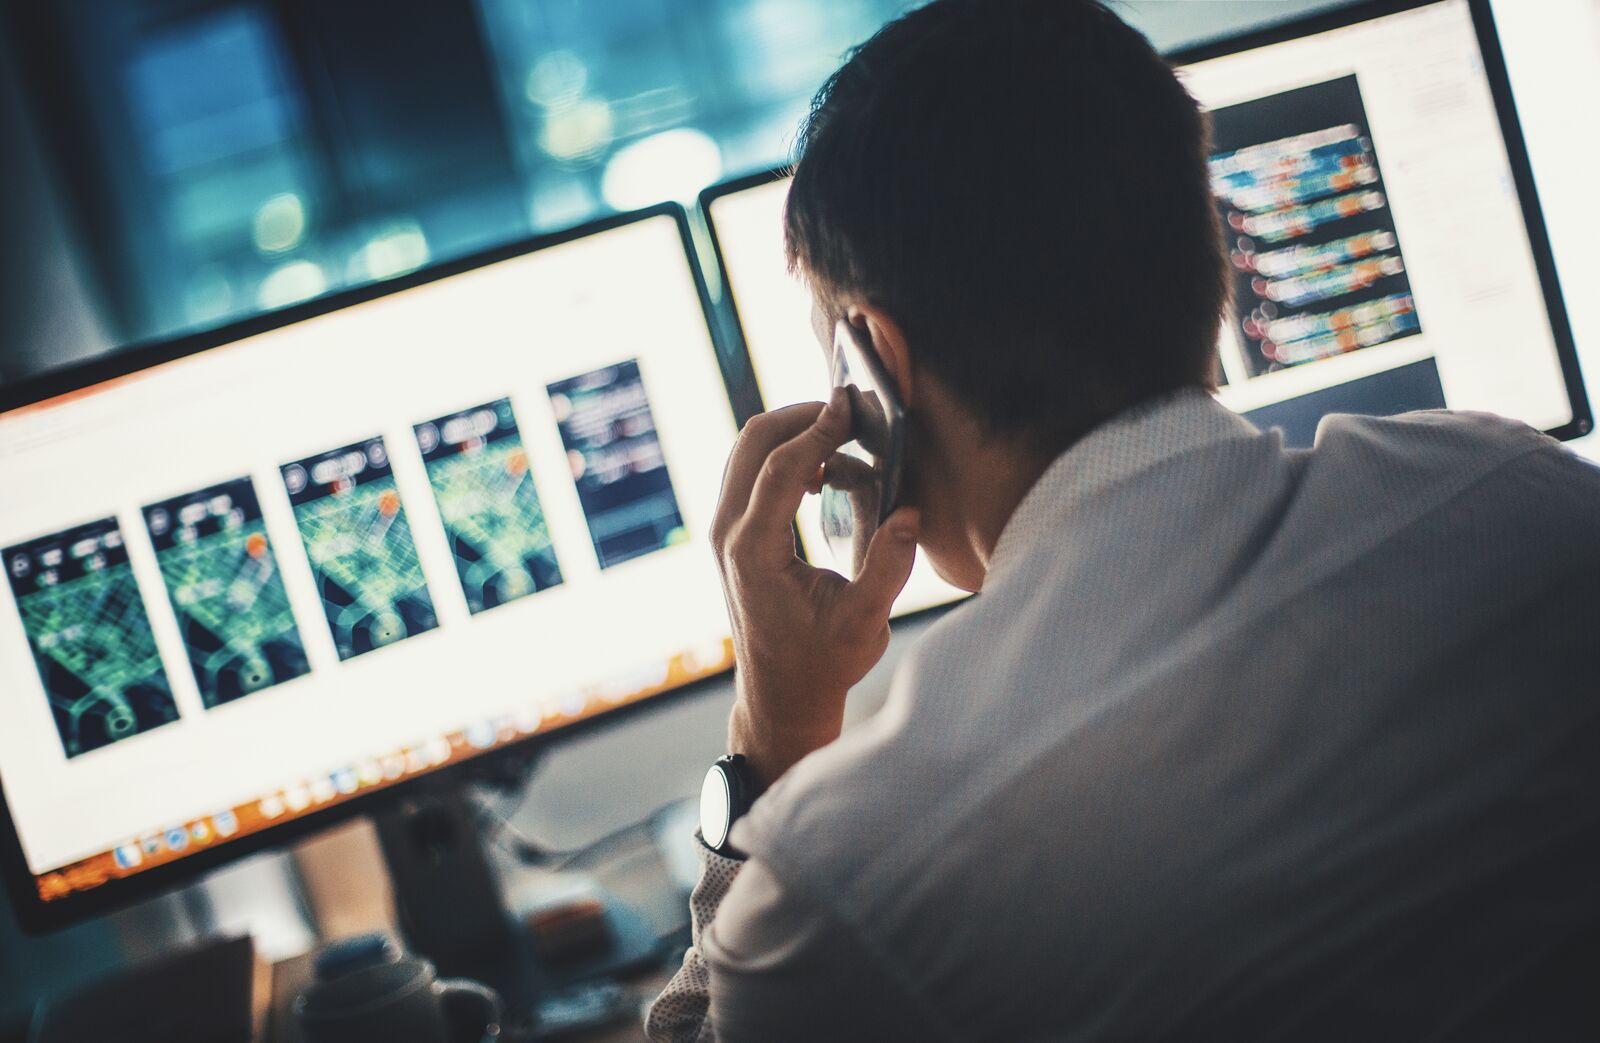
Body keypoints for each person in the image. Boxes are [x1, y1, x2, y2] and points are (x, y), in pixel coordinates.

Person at [646, 1, 1600, 1039]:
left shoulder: (850, 878)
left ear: (876, 362)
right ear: (1214, 265)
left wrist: (774, 740)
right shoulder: (1520, 500)